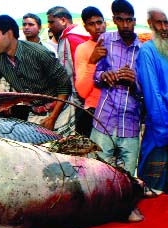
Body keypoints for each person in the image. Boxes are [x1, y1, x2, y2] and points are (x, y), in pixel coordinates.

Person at [91, 0, 142, 176]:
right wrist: (104, 76)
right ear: (114, 20)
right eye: (120, 20)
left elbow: (147, 91)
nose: (125, 25)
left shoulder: (143, 50)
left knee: (127, 177)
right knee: (97, 173)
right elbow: (96, 76)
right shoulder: (105, 40)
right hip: (105, 118)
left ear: (134, 21)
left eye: (129, 20)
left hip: (130, 123)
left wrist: (134, 83)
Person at [136, 8, 168, 192]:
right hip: (160, 130)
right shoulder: (148, 51)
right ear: (150, 24)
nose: (164, 28)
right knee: (154, 189)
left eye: (167, 23)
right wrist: (163, 131)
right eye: (159, 23)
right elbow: (152, 95)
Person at [47, 6, 90, 136]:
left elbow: (72, 72)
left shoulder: (70, 38)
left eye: (51, 22)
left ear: (63, 20)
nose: (49, 26)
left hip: (77, 99)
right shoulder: (83, 35)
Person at [74, 7, 107, 137]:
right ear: (86, 27)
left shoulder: (117, 45)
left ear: (105, 23)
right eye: (91, 24)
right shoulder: (82, 49)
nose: (97, 27)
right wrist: (92, 62)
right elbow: (82, 91)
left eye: (99, 22)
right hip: (94, 111)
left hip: (119, 112)